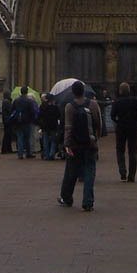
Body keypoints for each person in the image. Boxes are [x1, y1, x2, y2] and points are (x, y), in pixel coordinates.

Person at [58, 80, 102, 211]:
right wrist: (96, 139)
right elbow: (98, 123)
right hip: (90, 143)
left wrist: (66, 144)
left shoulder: (69, 106)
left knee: (71, 172)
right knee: (89, 172)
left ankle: (66, 198)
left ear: (73, 92)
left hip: (75, 144)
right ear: (84, 91)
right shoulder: (93, 104)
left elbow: (68, 127)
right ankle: (88, 202)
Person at [110, 81, 137, 181]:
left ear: (120, 91)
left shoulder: (117, 102)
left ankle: (122, 171)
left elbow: (112, 115)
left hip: (121, 127)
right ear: (129, 91)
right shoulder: (135, 101)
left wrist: (118, 121)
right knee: (133, 152)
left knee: (120, 150)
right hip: (133, 127)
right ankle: (131, 176)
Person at [11, 86, 37, 159]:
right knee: (27, 138)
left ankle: (20, 153)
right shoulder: (29, 101)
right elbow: (32, 112)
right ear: (27, 92)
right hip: (26, 121)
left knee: (20, 137)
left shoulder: (16, 100)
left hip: (18, 121)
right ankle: (28, 153)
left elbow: (12, 110)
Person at [38, 93, 60, 160]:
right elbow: (58, 115)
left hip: (45, 126)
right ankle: (51, 154)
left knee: (45, 141)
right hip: (53, 126)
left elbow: (39, 116)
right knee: (53, 141)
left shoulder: (42, 106)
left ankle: (46, 154)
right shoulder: (55, 107)